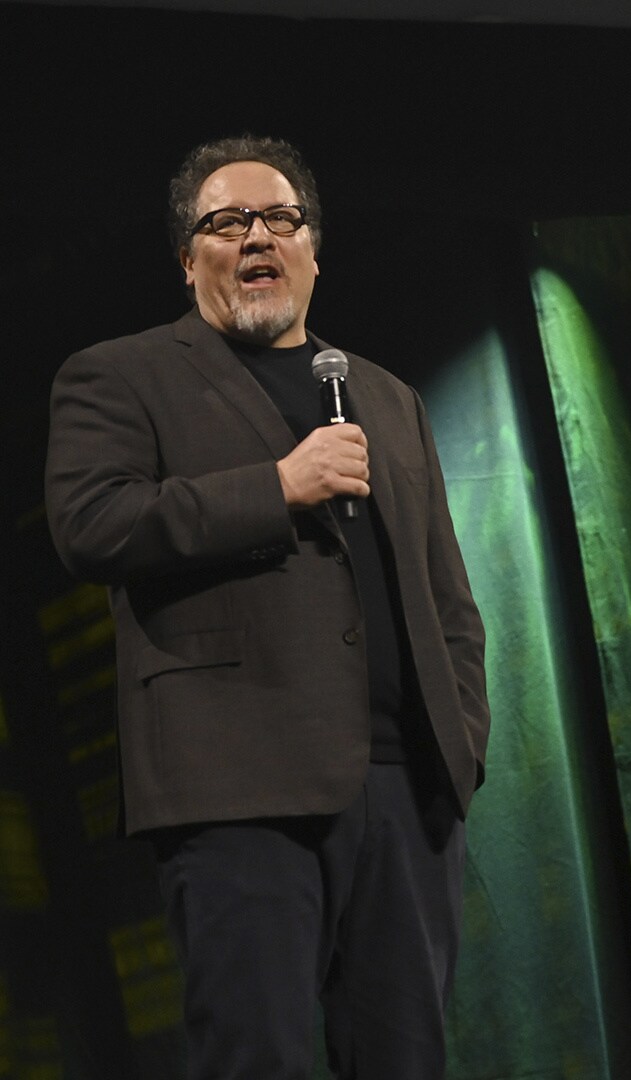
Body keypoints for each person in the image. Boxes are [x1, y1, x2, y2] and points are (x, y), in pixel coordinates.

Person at [44, 135, 489, 1080]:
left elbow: (445, 591)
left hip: (405, 794)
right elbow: (90, 523)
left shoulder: (383, 395)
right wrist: (277, 487)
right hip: (236, 788)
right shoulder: (120, 374)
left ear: (313, 250)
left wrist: (460, 744)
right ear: (188, 257)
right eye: (225, 222)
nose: (257, 236)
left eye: (280, 219)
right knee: (257, 1059)